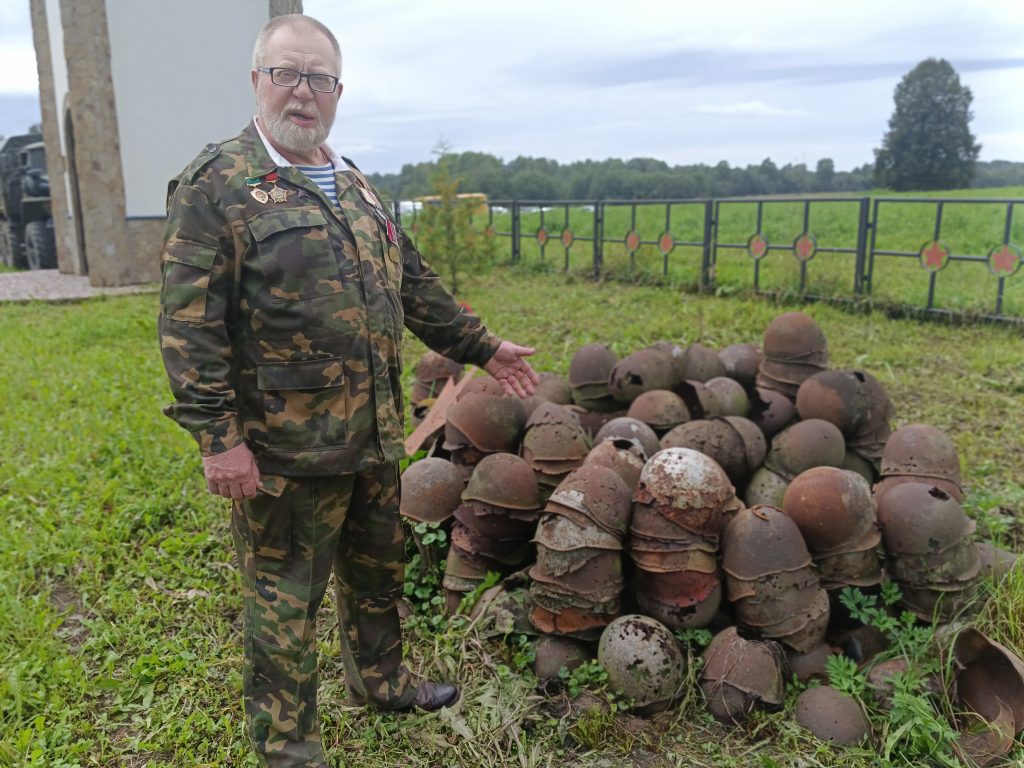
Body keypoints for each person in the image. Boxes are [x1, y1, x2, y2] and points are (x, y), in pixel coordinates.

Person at [157, 13, 539, 768]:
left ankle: (382, 681)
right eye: (287, 75)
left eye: (319, 79)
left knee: (376, 572)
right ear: (257, 81)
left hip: (372, 436)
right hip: (285, 450)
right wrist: (218, 439)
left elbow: (416, 287)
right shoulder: (216, 185)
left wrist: (484, 347)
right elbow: (188, 325)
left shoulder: (356, 184)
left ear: (338, 91)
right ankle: (289, 750)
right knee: (284, 603)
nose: (303, 94)